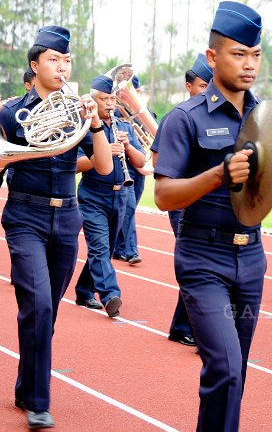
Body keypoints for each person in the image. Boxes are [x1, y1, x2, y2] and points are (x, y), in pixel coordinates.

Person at [154, 1, 267, 430]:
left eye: (255, 54)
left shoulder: (267, 118)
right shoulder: (184, 119)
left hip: (252, 259)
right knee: (225, 367)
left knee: (235, 374)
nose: (249, 64)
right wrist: (219, 174)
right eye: (239, 54)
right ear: (213, 56)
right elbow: (164, 195)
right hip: (204, 259)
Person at [0, 26, 112, 429]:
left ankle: (26, 383)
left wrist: (95, 123)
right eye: (53, 60)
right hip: (25, 216)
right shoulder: (14, 112)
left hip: (67, 218)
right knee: (39, 305)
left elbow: (104, 167)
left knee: (46, 312)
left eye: (66, 61)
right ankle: (39, 402)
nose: (62, 68)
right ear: (35, 64)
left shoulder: (78, 110)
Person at [152, 52, 212, 348]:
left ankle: (181, 325)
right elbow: (156, 158)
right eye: (202, 86)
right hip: (182, 202)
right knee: (196, 262)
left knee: (199, 264)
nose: (207, 91)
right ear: (189, 86)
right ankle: (188, 326)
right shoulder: (178, 117)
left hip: (207, 202)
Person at [74, 75, 146, 315]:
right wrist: (101, 157)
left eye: (112, 99)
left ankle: (84, 289)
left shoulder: (124, 127)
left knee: (106, 247)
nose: (109, 103)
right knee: (99, 248)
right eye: (104, 99)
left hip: (121, 195)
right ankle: (111, 294)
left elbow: (141, 161)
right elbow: (74, 164)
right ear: (94, 100)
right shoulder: (83, 128)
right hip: (93, 195)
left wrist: (127, 147)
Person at [113, 74, 148, 266]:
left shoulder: (144, 112)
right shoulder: (115, 115)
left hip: (138, 167)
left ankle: (119, 248)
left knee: (127, 210)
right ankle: (131, 250)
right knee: (129, 208)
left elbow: (148, 139)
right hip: (123, 167)